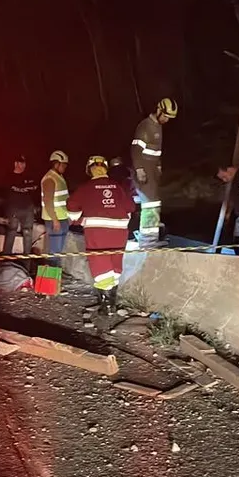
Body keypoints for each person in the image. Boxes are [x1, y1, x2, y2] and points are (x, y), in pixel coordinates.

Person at [67, 155, 136, 314]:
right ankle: (112, 301)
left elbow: (72, 206)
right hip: (120, 233)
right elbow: (130, 207)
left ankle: (107, 306)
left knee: (100, 266)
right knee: (114, 264)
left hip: (98, 233)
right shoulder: (118, 187)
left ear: (90, 170)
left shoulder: (85, 188)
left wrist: (79, 220)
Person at [129, 97, 177, 246]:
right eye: (165, 116)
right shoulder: (145, 126)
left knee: (153, 202)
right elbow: (136, 150)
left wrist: (158, 166)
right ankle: (147, 240)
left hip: (152, 171)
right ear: (158, 110)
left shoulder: (158, 127)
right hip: (144, 170)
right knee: (150, 203)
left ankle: (149, 235)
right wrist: (139, 170)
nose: (166, 120)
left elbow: (156, 152)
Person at [3, 154, 38, 258]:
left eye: (24, 163)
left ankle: (27, 262)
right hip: (13, 210)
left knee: (27, 233)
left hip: (28, 210)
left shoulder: (29, 177)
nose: (22, 165)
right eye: (20, 163)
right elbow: (9, 191)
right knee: (11, 232)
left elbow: (35, 189)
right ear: (15, 163)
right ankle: (5, 260)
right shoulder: (8, 177)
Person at [40, 150, 71, 265]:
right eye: (63, 165)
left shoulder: (58, 177)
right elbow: (48, 201)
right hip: (54, 220)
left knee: (58, 251)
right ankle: (51, 277)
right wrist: (55, 220)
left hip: (61, 218)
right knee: (55, 251)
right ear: (56, 164)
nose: (65, 167)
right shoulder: (50, 178)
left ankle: (55, 276)